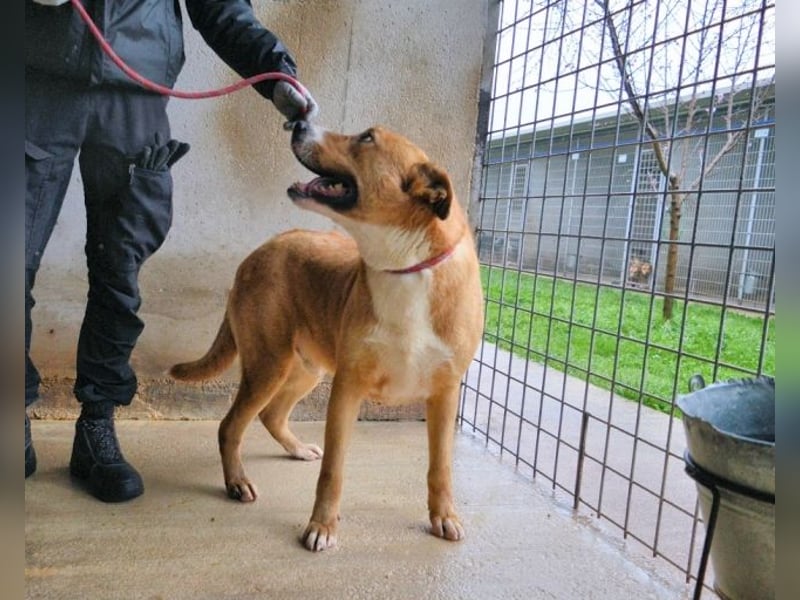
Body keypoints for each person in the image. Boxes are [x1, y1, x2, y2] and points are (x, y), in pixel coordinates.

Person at [24, 0, 318, 502]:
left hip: (136, 87)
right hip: (32, 77)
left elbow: (221, 6)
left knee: (120, 269)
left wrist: (274, 71)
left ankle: (97, 427)